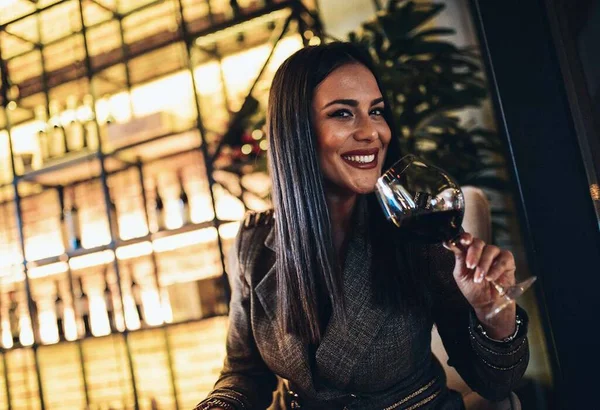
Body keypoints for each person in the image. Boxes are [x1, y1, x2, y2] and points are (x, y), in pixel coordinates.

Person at [195, 42, 529, 410]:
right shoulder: (253, 244)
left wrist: (493, 314)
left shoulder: (416, 233)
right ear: (296, 132)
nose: (372, 132)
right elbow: (244, 372)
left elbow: (496, 384)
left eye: (377, 111)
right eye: (343, 113)